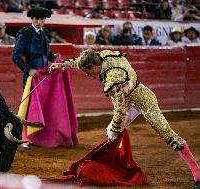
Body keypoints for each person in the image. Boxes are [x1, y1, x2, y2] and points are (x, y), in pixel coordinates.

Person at [50, 49, 200, 189]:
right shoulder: (102, 56)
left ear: (95, 66)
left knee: (166, 132)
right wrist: (60, 65)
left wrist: (116, 129)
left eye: (88, 71)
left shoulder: (113, 78)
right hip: (127, 100)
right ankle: (117, 168)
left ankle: (197, 173)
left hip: (144, 101)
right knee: (110, 133)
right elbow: (80, 61)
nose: (88, 75)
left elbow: (120, 109)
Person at [12, 6, 57, 149]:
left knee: (41, 106)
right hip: (31, 76)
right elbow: (16, 56)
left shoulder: (45, 33)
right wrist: (28, 69)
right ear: (32, 19)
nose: (39, 21)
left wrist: (57, 60)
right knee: (29, 106)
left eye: (42, 19)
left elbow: (47, 53)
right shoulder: (24, 33)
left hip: (43, 75)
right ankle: (24, 139)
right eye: (37, 19)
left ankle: (37, 137)